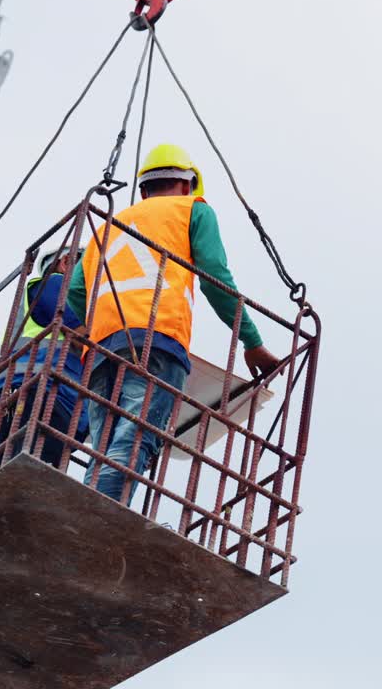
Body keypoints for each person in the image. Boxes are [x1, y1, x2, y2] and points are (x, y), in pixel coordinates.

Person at [67, 143, 281, 504]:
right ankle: (98, 516)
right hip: (157, 340)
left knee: (104, 447)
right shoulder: (193, 210)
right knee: (134, 439)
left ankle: (85, 513)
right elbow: (216, 276)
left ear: (143, 190)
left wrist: (99, 324)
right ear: (188, 185)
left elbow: (74, 292)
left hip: (102, 349)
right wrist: (251, 341)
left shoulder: (107, 229)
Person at [0, 245, 89, 468]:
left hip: (54, 398)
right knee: (25, 467)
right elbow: (80, 333)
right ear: (65, 263)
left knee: (24, 472)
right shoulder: (54, 284)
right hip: (37, 391)